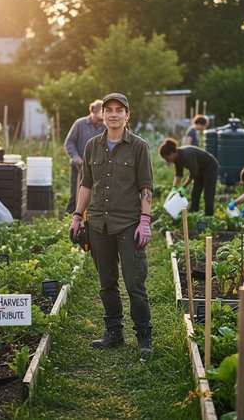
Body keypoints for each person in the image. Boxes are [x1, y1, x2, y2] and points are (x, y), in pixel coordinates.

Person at [68, 93, 154, 354]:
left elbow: (146, 187)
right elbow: (86, 184)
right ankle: (114, 332)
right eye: (109, 110)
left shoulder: (139, 146)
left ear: (127, 115)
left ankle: (143, 335)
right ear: (102, 115)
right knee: (106, 282)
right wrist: (76, 215)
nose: (114, 114)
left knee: (134, 282)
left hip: (128, 223)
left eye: (119, 110)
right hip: (97, 224)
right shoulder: (92, 145)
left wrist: (145, 221)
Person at [64, 99, 106, 213]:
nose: (99, 122)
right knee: (76, 193)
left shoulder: (105, 128)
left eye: (101, 120)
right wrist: (76, 157)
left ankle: (90, 218)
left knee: (95, 194)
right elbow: (69, 142)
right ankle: (70, 217)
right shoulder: (80, 124)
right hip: (79, 166)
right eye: (98, 119)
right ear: (92, 111)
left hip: (97, 168)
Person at [159, 138, 218, 215]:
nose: (167, 160)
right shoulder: (176, 159)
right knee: (195, 193)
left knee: (208, 194)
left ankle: (209, 216)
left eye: (167, 158)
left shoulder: (185, 155)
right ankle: (194, 213)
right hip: (199, 170)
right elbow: (178, 174)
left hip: (210, 167)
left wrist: (183, 187)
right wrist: (174, 187)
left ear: (172, 153)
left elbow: (193, 173)